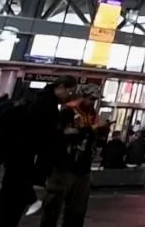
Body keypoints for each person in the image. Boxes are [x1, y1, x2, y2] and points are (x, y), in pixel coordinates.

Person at [0, 77, 76, 227]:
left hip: (17, 155)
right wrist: (62, 133)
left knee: (11, 200)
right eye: (69, 91)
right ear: (61, 87)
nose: (69, 95)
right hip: (24, 156)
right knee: (14, 201)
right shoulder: (47, 105)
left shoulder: (39, 100)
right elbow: (44, 134)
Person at [39, 87, 100, 227]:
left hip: (83, 166)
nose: (93, 102)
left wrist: (97, 134)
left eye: (95, 100)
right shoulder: (69, 111)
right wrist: (88, 130)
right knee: (53, 206)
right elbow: (61, 134)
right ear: (82, 96)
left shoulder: (92, 113)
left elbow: (90, 138)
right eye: (91, 99)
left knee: (77, 209)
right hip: (65, 165)